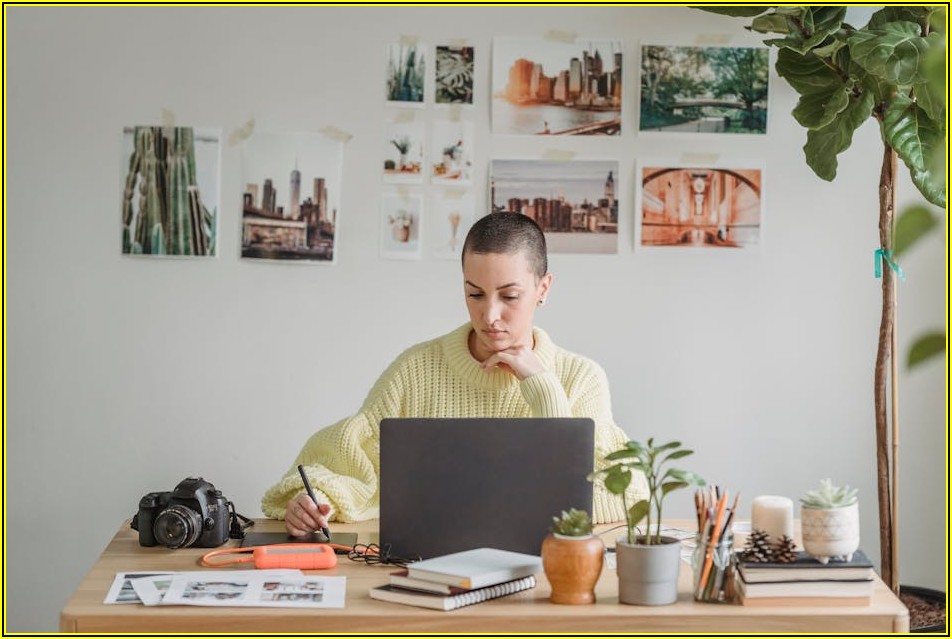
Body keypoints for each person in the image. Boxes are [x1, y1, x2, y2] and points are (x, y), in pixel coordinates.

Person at [262, 212, 647, 536]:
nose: (490, 315)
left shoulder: (581, 377)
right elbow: (350, 464)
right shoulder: (416, 369)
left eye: (509, 296)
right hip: (425, 568)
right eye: (475, 294)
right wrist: (312, 503)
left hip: (543, 571)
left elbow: (622, 497)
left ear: (543, 288)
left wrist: (542, 385)